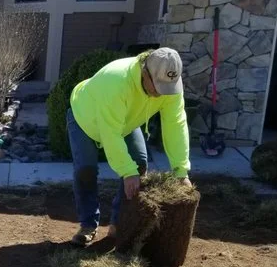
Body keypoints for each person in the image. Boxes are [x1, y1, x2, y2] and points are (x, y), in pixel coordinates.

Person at [66, 47, 192, 247]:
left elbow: (176, 124)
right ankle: (88, 225)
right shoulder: (116, 81)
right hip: (85, 117)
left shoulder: (170, 85)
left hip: (123, 121)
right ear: (145, 72)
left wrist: (181, 170)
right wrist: (126, 171)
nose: (162, 94)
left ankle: (118, 223)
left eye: (166, 87)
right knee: (85, 170)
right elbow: (110, 133)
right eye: (157, 86)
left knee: (140, 163)